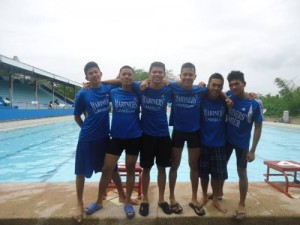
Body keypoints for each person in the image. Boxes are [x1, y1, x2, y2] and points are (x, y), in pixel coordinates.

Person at [73, 61, 127, 223]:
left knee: (112, 169)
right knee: (80, 172)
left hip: (104, 138)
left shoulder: (107, 89)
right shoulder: (83, 94)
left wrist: (101, 82)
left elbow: (119, 81)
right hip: (87, 139)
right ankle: (79, 203)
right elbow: (76, 116)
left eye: (96, 72)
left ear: (100, 73)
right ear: (86, 77)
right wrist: (85, 129)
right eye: (91, 73)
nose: (94, 75)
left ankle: (123, 196)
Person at [86, 65, 142, 219]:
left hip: (134, 137)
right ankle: (98, 201)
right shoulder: (112, 91)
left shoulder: (138, 91)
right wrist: (91, 84)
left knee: (131, 169)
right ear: (120, 77)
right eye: (124, 74)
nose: (127, 77)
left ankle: (127, 202)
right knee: (107, 168)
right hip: (116, 137)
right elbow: (99, 87)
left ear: (133, 77)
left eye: (129, 74)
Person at [168, 63, 207, 216]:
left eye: (190, 75)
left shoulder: (200, 90)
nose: (187, 77)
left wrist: (251, 95)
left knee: (194, 165)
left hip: (194, 133)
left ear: (195, 77)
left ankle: (194, 198)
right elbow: (158, 83)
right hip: (178, 132)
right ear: (180, 75)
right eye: (184, 74)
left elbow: (218, 91)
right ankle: (171, 197)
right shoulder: (174, 87)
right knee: (174, 165)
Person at [133, 62, 173, 216]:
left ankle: (162, 200)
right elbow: (120, 81)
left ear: (164, 74)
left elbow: (186, 86)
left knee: (162, 168)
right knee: (147, 168)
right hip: (147, 135)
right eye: (154, 72)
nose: (157, 74)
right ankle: (145, 199)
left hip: (163, 135)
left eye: (160, 72)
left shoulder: (168, 89)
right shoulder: (140, 87)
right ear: (149, 73)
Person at [225, 71, 264, 220]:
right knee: (222, 166)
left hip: (242, 143)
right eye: (232, 84)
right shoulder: (230, 94)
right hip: (227, 140)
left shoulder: (255, 103)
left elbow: (258, 127)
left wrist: (253, 150)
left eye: (237, 84)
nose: (234, 87)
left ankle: (242, 203)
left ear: (244, 84)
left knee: (242, 171)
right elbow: (219, 93)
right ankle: (218, 193)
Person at [198, 73, 228, 213]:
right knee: (203, 174)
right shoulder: (202, 98)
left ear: (222, 87)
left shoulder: (225, 101)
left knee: (217, 175)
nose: (216, 88)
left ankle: (215, 198)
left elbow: (239, 98)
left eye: (219, 86)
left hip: (219, 144)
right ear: (209, 85)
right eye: (213, 85)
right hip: (203, 142)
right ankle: (204, 196)